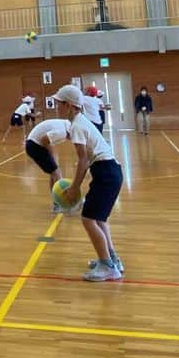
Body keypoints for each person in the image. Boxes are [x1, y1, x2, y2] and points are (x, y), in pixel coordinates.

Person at [52, 84, 125, 283]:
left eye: (58, 104)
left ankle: (108, 267)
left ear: (68, 105)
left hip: (105, 173)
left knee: (88, 219)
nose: (56, 107)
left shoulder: (77, 125)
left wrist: (74, 188)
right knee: (99, 219)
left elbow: (83, 160)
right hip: (111, 172)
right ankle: (111, 260)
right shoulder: (81, 121)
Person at [22, 112, 71, 198]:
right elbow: (44, 140)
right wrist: (52, 155)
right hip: (34, 146)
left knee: (54, 172)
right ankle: (64, 199)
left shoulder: (64, 124)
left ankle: (56, 201)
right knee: (56, 173)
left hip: (35, 144)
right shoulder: (61, 131)